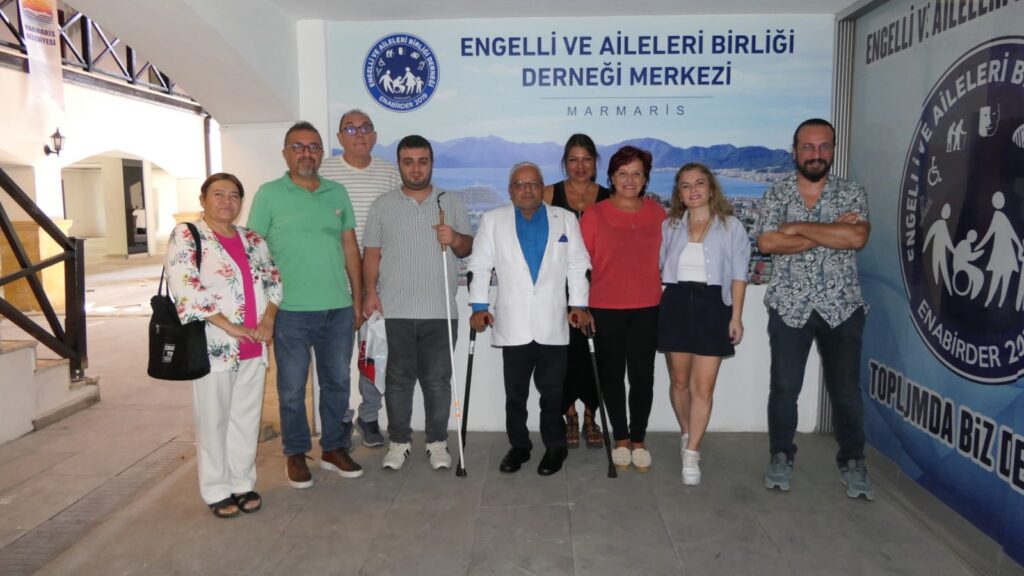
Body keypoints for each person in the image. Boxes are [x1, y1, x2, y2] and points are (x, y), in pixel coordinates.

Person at [755, 118, 873, 500]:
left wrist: (796, 227)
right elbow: (768, 243)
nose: (816, 154)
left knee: (846, 392)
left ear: (833, 150)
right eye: (808, 146)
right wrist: (828, 231)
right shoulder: (776, 193)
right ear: (794, 151)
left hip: (843, 306)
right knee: (784, 389)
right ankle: (780, 455)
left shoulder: (851, 192)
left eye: (824, 146)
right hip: (790, 306)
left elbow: (856, 237)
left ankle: (853, 460)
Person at [247, 121, 364, 490]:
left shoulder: (337, 192)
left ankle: (333, 447)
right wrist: (263, 311)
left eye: (313, 146)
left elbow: (350, 247)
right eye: (297, 147)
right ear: (286, 153)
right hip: (289, 312)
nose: (306, 153)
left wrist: (357, 298)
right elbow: (254, 253)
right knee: (292, 388)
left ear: (321, 153)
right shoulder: (269, 194)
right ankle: (296, 452)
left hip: (337, 309)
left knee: (337, 383)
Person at [165, 173, 282, 518]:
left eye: (234, 195)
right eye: (218, 194)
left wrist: (268, 321)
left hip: (254, 345)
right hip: (214, 347)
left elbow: (274, 281)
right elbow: (186, 288)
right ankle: (216, 489)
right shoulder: (187, 235)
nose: (227, 201)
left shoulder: (253, 239)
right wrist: (232, 328)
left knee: (246, 418)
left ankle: (242, 483)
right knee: (213, 421)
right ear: (203, 199)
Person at [469, 162, 591, 476]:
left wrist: (579, 304)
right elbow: (479, 265)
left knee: (552, 395)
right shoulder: (492, 221)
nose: (527, 190)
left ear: (542, 187)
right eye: (520, 184)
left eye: (533, 183)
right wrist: (479, 306)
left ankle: (555, 447)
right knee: (516, 397)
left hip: (553, 323)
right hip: (513, 325)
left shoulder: (565, 219)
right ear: (510, 190)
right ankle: (520, 447)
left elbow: (578, 265)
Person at [362, 135, 473, 471]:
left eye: (422, 161)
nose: (415, 168)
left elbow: (467, 247)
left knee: (437, 382)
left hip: (440, 311)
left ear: (431, 164)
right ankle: (399, 442)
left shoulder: (450, 201)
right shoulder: (382, 205)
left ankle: (437, 442)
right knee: (397, 381)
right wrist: (370, 293)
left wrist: (454, 237)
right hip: (394, 311)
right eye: (408, 162)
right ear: (399, 164)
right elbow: (372, 254)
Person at [659, 163, 750, 485]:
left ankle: (692, 453)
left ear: (711, 188)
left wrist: (736, 316)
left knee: (704, 387)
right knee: (679, 381)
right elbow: (660, 265)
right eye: (685, 186)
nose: (693, 190)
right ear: (679, 194)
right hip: (675, 303)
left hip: (713, 307)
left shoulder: (731, 226)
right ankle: (687, 433)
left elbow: (739, 275)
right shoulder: (670, 225)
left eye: (699, 183)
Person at [579, 146, 666, 472]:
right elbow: (578, 265)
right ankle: (620, 437)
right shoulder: (594, 215)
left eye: (637, 173)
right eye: (623, 173)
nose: (630, 180)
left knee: (643, 377)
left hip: (648, 307)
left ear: (645, 178)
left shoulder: (658, 214)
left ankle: (639, 439)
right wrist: (580, 305)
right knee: (612, 377)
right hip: (605, 308)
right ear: (612, 177)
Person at [319, 109, 401, 448]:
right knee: (336, 361)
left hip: (378, 283)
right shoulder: (323, 171)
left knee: (374, 355)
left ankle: (369, 417)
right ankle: (340, 419)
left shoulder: (390, 173)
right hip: (333, 283)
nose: (359, 134)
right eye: (350, 129)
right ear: (339, 137)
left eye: (365, 128)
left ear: (375, 135)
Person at [542, 133, 610, 450]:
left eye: (586, 159)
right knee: (562, 355)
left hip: (600, 287)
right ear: (564, 163)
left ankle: (590, 417)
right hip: (557, 288)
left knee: (597, 354)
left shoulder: (609, 197)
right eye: (573, 159)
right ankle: (569, 415)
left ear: (595, 162)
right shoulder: (548, 194)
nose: (580, 166)